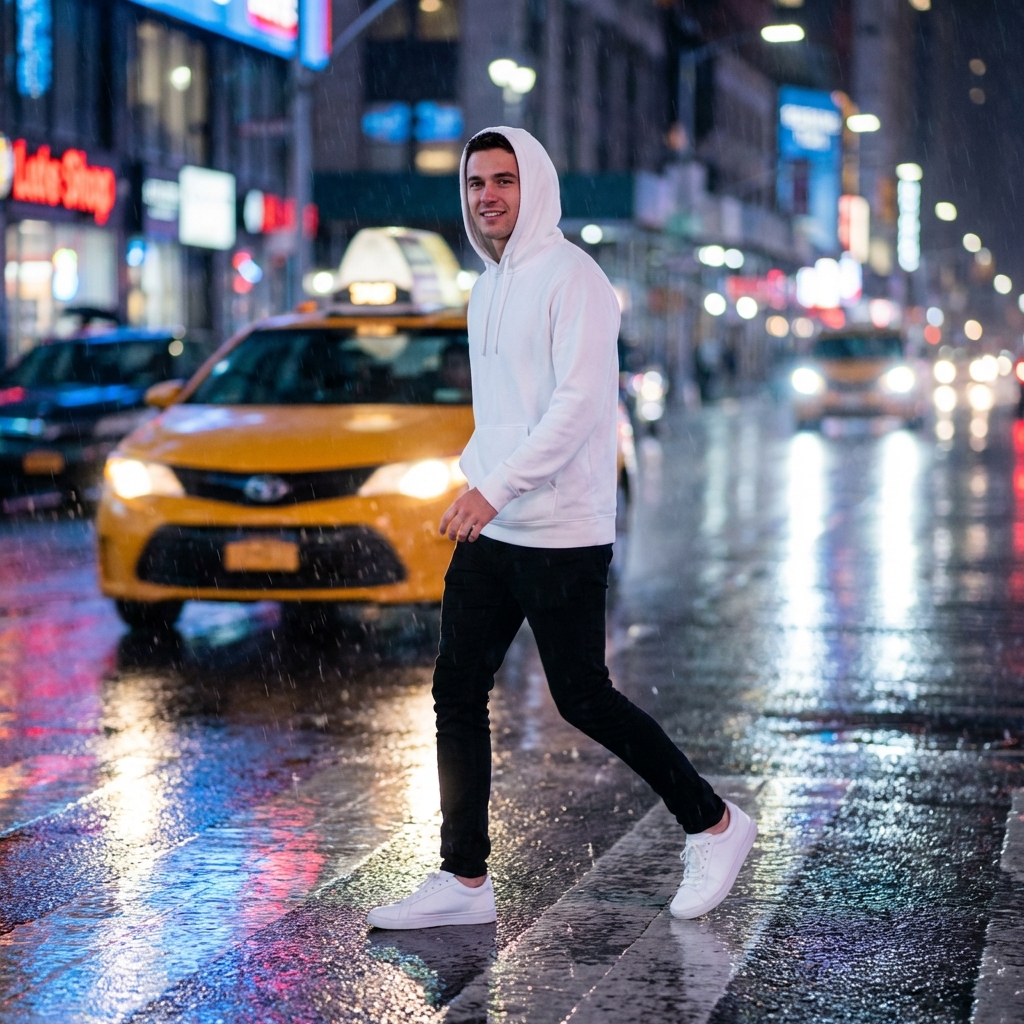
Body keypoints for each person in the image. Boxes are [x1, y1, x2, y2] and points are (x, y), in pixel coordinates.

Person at [366, 128, 757, 930]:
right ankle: (465, 880)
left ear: (533, 184)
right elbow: (503, 409)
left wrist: (495, 487)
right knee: (456, 689)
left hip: (562, 530)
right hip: (496, 523)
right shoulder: (486, 286)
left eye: (503, 180)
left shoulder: (573, 278)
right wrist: (479, 476)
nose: (488, 196)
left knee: (581, 696)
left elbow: (579, 408)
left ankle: (715, 824)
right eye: (476, 183)